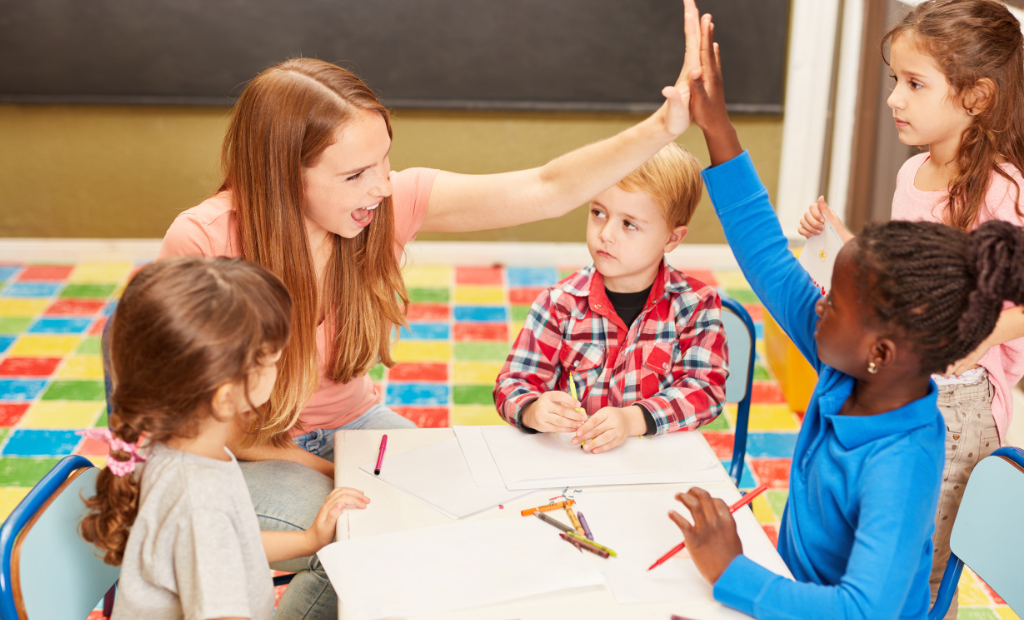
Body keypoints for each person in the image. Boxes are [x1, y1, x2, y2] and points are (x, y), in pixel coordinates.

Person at [157, 2, 707, 615]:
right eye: (357, 174)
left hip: (353, 431)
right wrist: (337, 470)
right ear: (286, 175)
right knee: (365, 537)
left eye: (386, 161)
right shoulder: (203, 242)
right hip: (240, 451)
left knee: (461, 520)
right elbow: (194, 423)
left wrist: (664, 127)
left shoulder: (380, 208)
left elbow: (547, 187)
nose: (383, 186)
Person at [666, 9, 1024, 618]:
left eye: (833, 301)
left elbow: (864, 611)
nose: (817, 302)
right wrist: (716, 125)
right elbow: (770, 263)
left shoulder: (902, 460)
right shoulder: (852, 367)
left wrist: (733, 573)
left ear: (880, 350)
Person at [796, 2, 1024, 612]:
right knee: (870, 544)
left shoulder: (1003, 189)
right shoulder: (912, 174)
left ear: (976, 96)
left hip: (963, 401)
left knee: (920, 570)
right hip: (906, 380)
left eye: (915, 84)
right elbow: (905, 283)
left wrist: (979, 335)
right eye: (895, 79)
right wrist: (843, 246)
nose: (896, 98)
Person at [80, 258, 369, 620]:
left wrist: (310, 540)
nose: (280, 369)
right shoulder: (201, 501)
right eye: (271, 361)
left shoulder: (178, 446)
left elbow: (237, 543)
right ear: (225, 396)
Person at [493, 142, 727, 453]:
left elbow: (706, 390)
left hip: (658, 464)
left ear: (672, 238)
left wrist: (632, 420)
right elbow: (512, 384)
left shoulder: (696, 306)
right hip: (582, 463)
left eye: (629, 224)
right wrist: (531, 409)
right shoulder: (558, 304)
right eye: (599, 213)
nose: (606, 234)